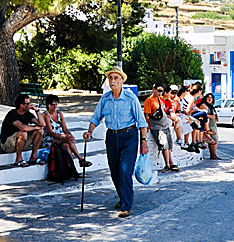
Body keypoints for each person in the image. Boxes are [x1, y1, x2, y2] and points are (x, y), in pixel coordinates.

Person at [83, 67, 148, 219]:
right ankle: (123, 196)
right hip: (112, 137)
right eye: (110, 78)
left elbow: (142, 121)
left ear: (122, 81)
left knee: (125, 170)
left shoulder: (130, 98)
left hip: (129, 136)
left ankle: (126, 205)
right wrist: (89, 131)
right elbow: (96, 117)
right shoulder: (105, 99)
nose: (113, 80)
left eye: (116, 78)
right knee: (115, 172)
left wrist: (143, 141)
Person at [40, 94, 92, 167]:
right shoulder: (46, 115)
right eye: (52, 104)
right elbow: (50, 132)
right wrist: (63, 137)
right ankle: (80, 159)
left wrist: (69, 135)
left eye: (56, 104)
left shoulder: (59, 114)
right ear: (48, 105)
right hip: (49, 139)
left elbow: (65, 128)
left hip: (59, 138)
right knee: (68, 140)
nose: (55, 106)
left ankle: (72, 168)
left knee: (67, 145)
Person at [0, 93, 44, 166]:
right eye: (28, 103)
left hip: (21, 143)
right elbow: (23, 127)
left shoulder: (28, 114)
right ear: (21, 105)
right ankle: (18, 159)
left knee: (40, 131)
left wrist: (37, 111)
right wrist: (34, 127)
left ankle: (33, 157)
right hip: (7, 144)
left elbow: (42, 124)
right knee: (23, 133)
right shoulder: (12, 114)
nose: (30, 106)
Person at [144, 84, 178, 173]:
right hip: (157, 127)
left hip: (165, 126)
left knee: (169, 145)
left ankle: (171, 163)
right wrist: (147, 126)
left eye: (161, 91)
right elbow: (147, 115)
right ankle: (167, 164)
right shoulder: (149, 100)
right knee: (164, 145)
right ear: (153, 89)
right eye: (158, 90)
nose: (160, 93)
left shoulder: (159, 99)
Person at [202, 92, 220, 160]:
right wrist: (210, 116)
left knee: (214, 139)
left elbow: (214, 113)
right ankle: (213, 155)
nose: (210, 99)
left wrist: (216, 117)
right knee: (213, 140)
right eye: (208, 97)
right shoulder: (204, 105)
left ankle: (213, 154)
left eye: (211, 97)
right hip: (208, 126)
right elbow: (202, 114)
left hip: (213, 125)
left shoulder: (211, 106)